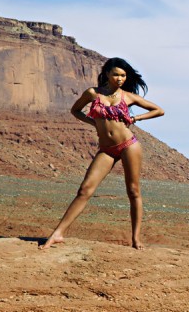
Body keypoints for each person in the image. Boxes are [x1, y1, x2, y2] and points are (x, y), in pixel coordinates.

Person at [41, 57, 164, 250]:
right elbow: (76, 110)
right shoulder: (92, 93)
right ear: (107, 73)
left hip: (128, 145)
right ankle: (58, 233)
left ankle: (136, 238)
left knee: (133, 191)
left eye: (123, 75)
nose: (120, 79)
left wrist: (135, 118)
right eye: (116, 74)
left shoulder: (128, 96)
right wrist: (93, 123)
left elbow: (159, 110)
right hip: (106, 149)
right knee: (84, 190)